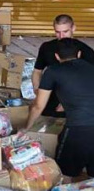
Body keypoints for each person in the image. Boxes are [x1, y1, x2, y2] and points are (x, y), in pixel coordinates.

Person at [27, 39, 94, 179]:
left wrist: (27, 129)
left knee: (63, 175)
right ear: (79, 54)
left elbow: (38, 106)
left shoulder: (53, 71)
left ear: (57, 56)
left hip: (78, 130)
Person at [32, 14, 94, 118]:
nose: (61, 36)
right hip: (50, 98)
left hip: (76, 104)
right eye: (57, 32)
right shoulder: (46, 47)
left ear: (73, 28)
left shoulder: (86, 51)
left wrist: (68, 102)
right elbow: (37, 71)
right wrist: (37, 90)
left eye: (65, 31)